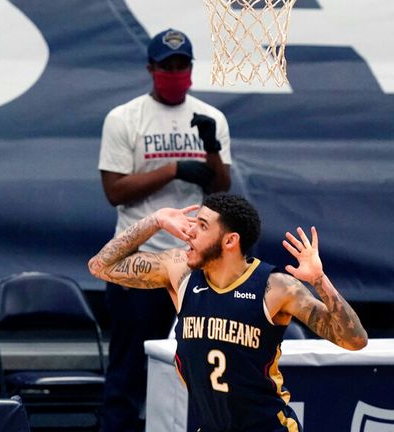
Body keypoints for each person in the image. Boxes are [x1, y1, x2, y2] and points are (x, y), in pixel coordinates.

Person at [88, 192, 368, 431]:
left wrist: (319, 281)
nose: (190, 231)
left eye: (202, 225)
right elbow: (100, 266)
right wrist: (156, 220)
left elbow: (354, 341)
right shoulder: (180, 272)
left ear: (230, 241)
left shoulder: (276, 288)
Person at [97, 28, 231, 431]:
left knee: (198, 361)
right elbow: (114, 189)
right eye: (166, 66)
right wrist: (172, 170)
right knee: (127, 368)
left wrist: (210, 150)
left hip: (195, 264)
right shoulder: (125, 117)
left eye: (182, 65)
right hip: (139, 263)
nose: (175, 72)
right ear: (151, 68)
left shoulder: (212, 118)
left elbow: (222, 188)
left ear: (191, 68)